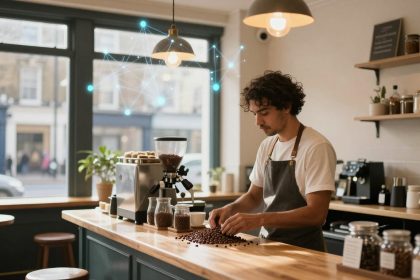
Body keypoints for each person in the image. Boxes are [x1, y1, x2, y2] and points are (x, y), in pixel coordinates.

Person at [209, 71, 336, 252]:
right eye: (254, 114)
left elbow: (316, 214)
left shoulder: (316, 146)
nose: (258, 122)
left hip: (305, 251)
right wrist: (231, 208)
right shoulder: (268, 145)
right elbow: (254, 196)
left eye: (264, 113)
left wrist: (260, 218)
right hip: (268, 245)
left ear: (286, 106)